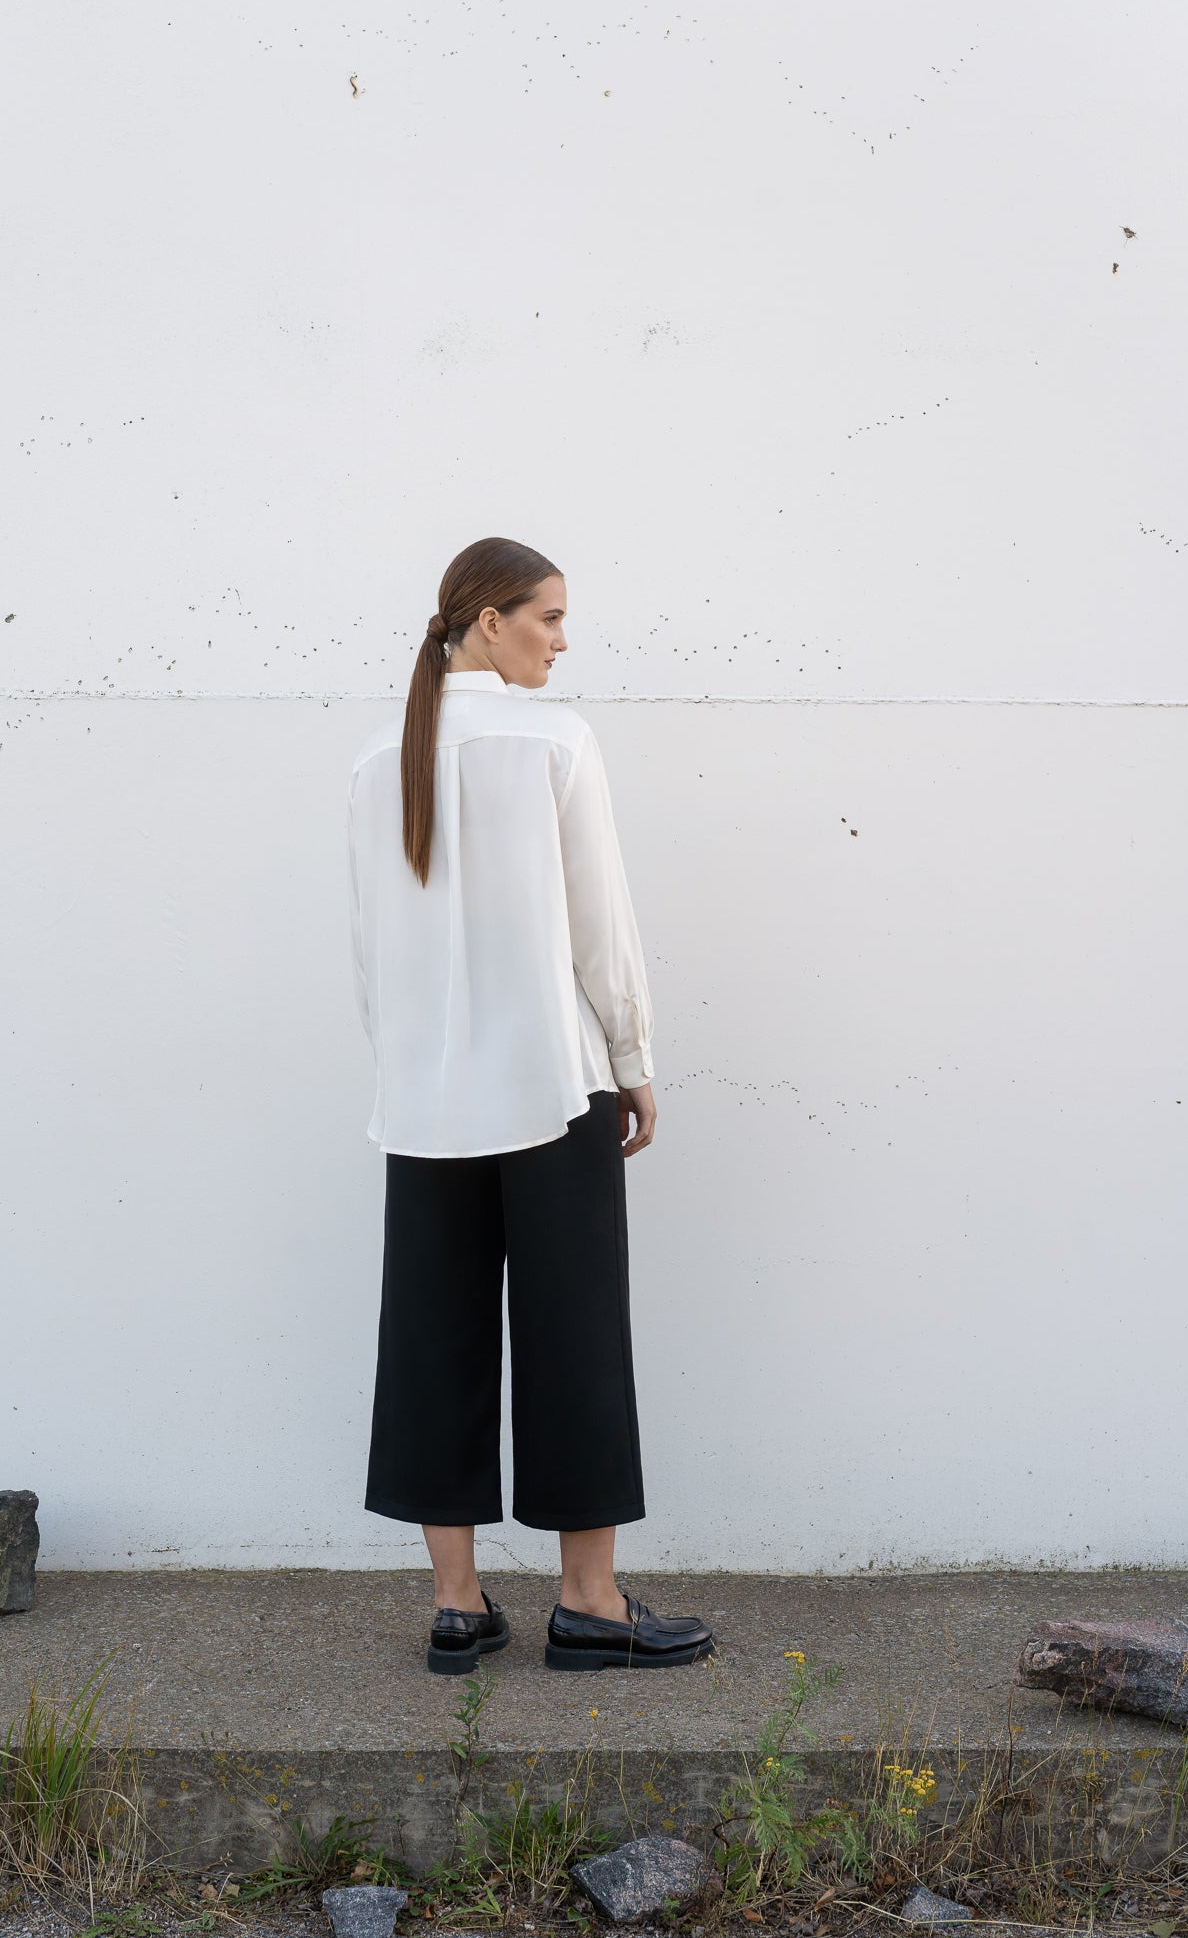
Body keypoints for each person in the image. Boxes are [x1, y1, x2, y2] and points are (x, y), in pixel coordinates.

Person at [346, 536, 714, 1675]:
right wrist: (636, 1055)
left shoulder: (377, 761)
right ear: (488, 619)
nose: (561, 638)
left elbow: (374, 955)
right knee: (575, 1331)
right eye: (548, 617)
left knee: (429, 1333)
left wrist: (410, 1065)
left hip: (425, 1093)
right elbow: (599, 920)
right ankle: (589, 1600)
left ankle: (458, 1603)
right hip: (556, 1086)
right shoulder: (555, 739)